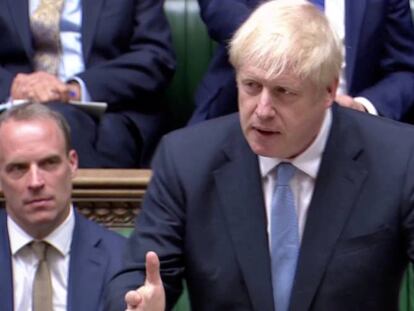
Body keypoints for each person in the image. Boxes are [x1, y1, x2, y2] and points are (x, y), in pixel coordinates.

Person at [104, 1, 414, 310]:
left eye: (284, 92)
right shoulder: (186, 159)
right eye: (251, 86)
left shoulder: (398, 159)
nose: (262, 110)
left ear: (329, 91)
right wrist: (136, 302)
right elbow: (140, 277)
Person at [0, 0, 176, 168]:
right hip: (12, 103)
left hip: (109, 108)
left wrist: (75, 89)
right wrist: (16, 87)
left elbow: (155, 57)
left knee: (65, 125)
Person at [188, 0, 414, 124]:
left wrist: (362, 107)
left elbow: (405, 70)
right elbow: (219, 9)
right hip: (242, 115)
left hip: (348, 122)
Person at [0, 103, 127, 310]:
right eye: (18, 168)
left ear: (72, 163)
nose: (35, 182)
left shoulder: (121, 260)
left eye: (49, 163)